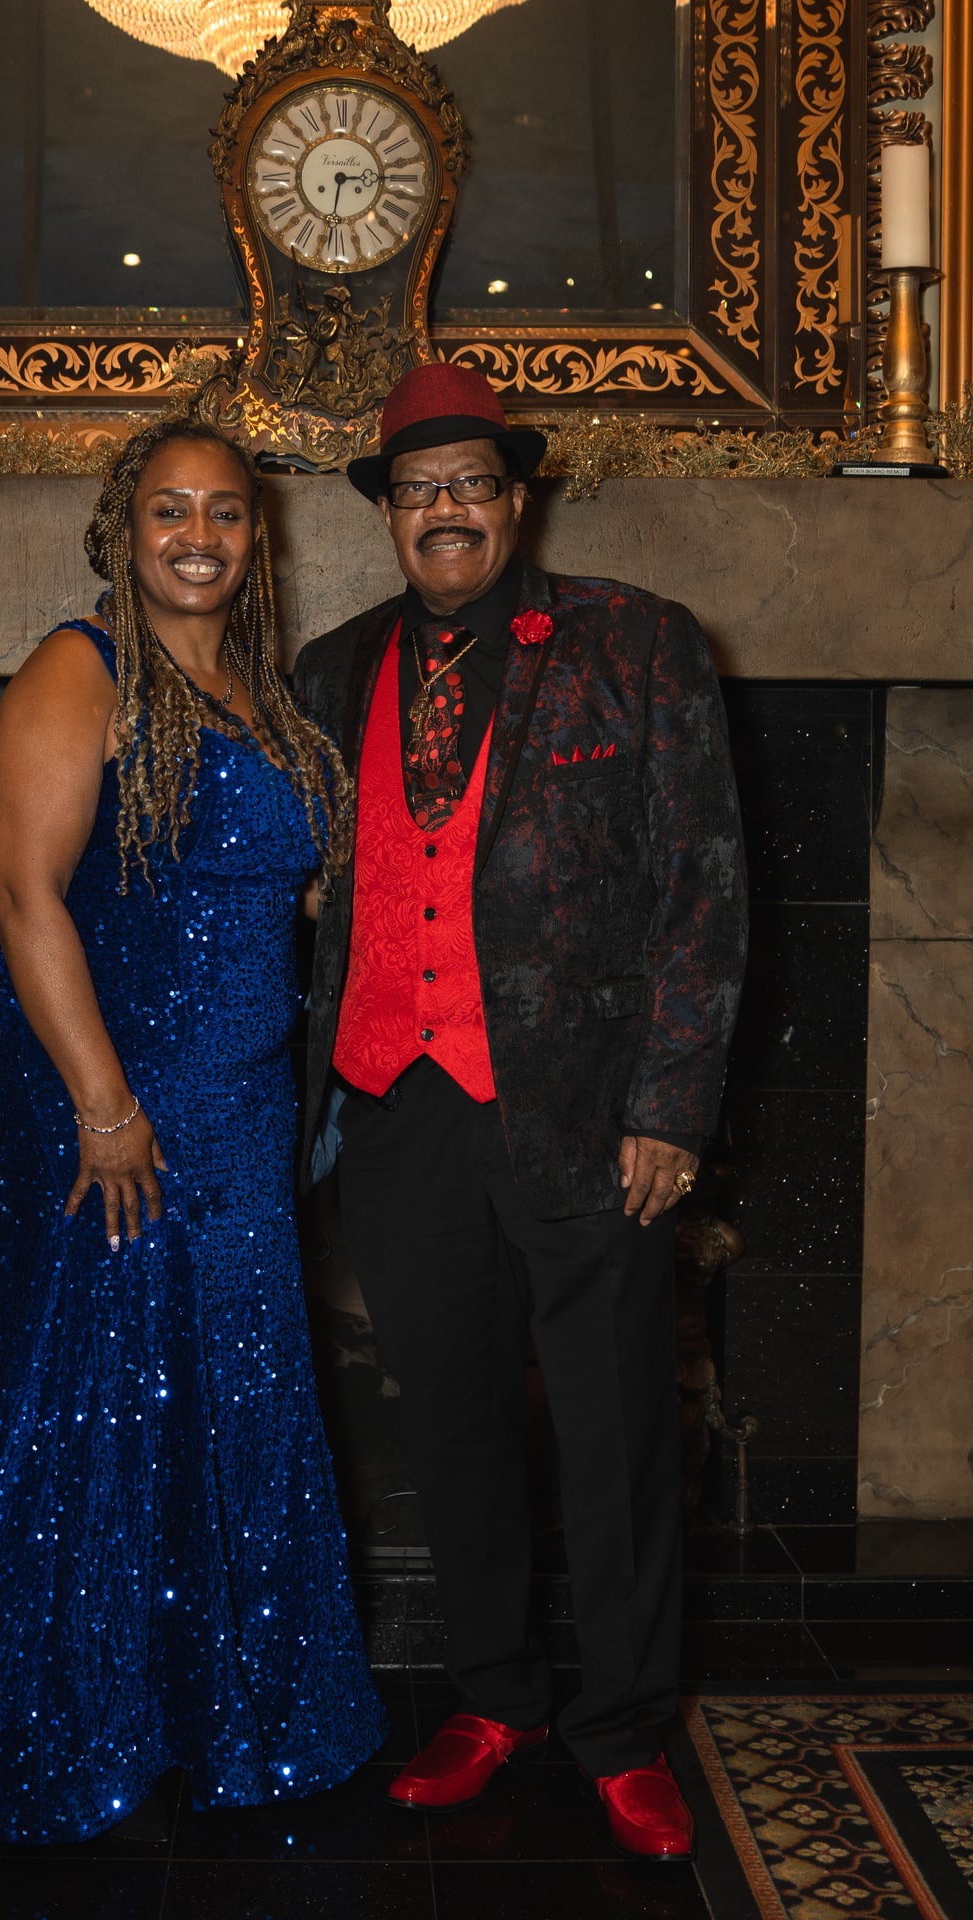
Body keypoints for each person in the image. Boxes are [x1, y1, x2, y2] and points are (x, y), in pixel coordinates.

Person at [0, 417, 385, 1847]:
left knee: (225, 1389)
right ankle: (83, 1711)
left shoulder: (259, 698)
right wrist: (105, 1108)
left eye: (226, 512)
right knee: (106, 1386)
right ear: (123, 528)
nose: (200, 536)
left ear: (257, 537)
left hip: (239, 1108)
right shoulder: (79, 668)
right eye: (171, 509)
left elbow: (283, 892)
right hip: (119, 1103)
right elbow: (19, 891)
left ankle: (221, 1712)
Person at [292, 363, 747, 1861]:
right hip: (395, 1104)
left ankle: (624, 1730)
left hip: (585, 1111)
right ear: (387, 514)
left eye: (473, 483)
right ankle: (494, 1697)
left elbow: (704, 887)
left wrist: (670, 1105)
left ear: (518, 497)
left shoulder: (637, 640)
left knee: (616, 1436)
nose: (448, 510)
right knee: (454, 1423)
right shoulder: (333, 668)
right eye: (418, 489)